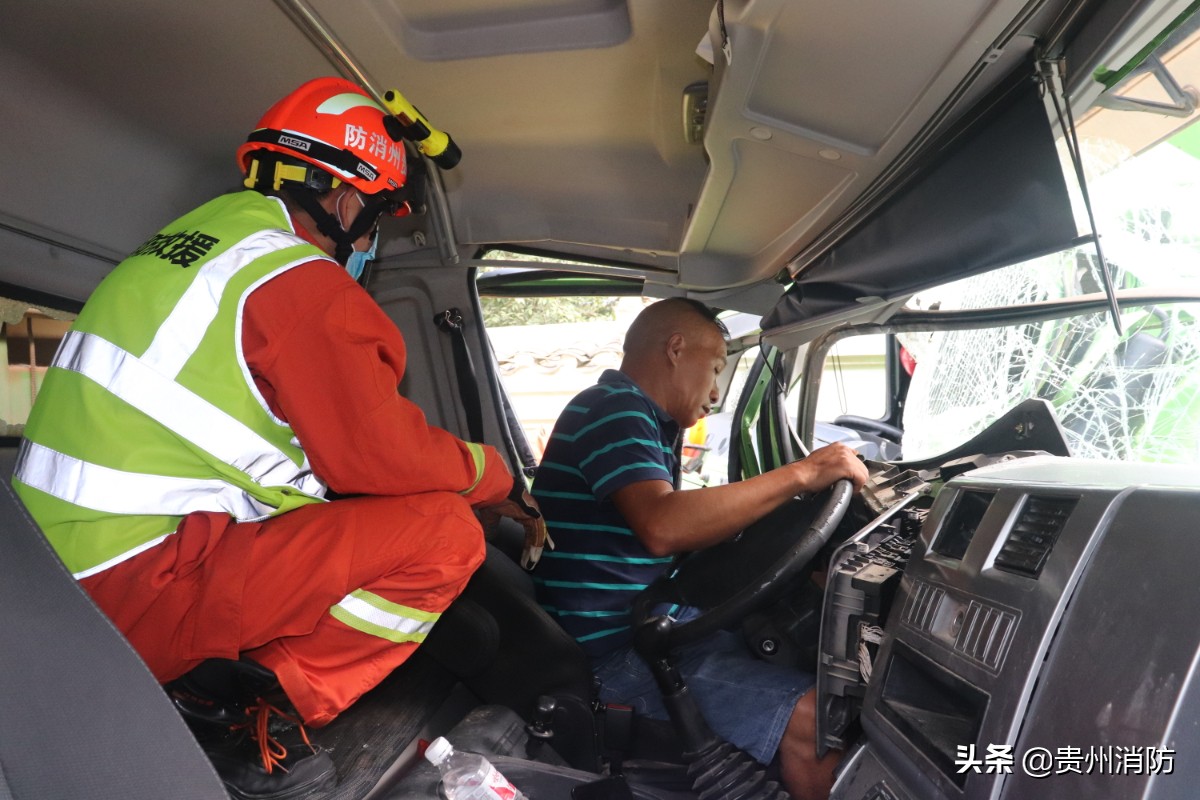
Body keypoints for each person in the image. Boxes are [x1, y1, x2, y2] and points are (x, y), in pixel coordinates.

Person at [12, 77, 545, 800]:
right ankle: (245, 717)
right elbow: (380, 458)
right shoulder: (298, 281)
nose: (374, 238)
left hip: (40, 576)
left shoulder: (189, 249)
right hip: (131, 593)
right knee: (445, 532)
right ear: (348, 198)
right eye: (381, 214)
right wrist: (493, 475)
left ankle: (226, 682)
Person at [531, 298, 868, 799]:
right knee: (812, 718)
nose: (715, 392)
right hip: (616, 656)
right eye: (715, 370)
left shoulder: (644, 420)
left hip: (648, 627)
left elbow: (674, 530)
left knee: (784, 650)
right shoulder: (613, 409)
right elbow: (663, 526)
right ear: (674, 349)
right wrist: (804, 472)